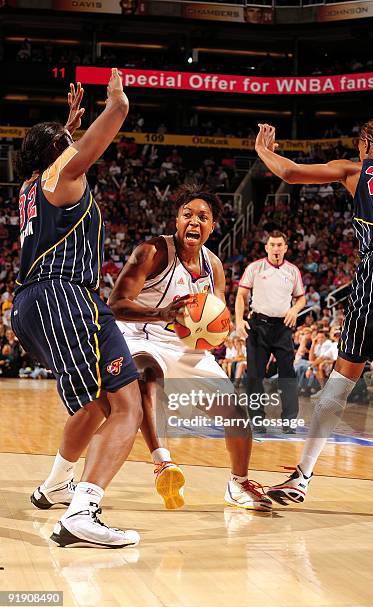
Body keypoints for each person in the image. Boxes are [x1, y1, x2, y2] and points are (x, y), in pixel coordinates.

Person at [12, 71, 143, 547]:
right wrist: (116, 102)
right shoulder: (65, 173)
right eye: (67, 143)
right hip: (65, 295)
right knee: (127, 402)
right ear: (59, 153)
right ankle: (82, 511)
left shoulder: (30, 186)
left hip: (31, 305)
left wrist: (64, 129)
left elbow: (54, 157)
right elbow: (109, 127)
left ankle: (55, 486)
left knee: (94, 403)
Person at [254, 118, 373, 504]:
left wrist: (262, 150)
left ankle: (302, 476)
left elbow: (289, 172)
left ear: (368, 143)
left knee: (344, 374)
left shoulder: (354, 170)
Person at [108, 184, 273, 512]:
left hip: (187, 348)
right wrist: (162, 314)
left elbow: (219, 317)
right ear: (177, 221)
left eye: (203, 217)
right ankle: (163, 462)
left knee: (236, 412)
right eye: (187, 215)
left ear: (212, 227)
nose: (194, 222)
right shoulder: (152, 252)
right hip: (143, 336)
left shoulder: (215, 267)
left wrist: (219, 334)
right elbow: (114, 304)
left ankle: (238, 485)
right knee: (145, 374)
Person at [235, 231, 306, 434]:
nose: (276, 248)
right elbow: (241, 295)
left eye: (279, 245)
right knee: (255, 375)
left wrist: (294, 309)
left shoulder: (292, 271)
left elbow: (301, 298)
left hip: (283, 327)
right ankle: (257, 420)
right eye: (272, 245)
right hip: (258, 326)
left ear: (285, 248)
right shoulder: (255, 268)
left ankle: (289, 420)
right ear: (266, 247)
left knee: (288, 374)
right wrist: (239, 320)